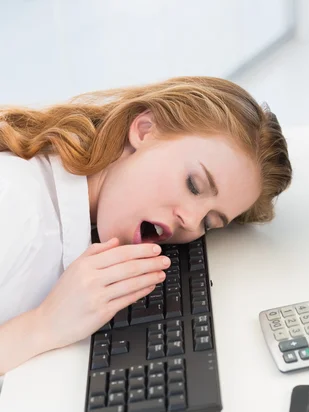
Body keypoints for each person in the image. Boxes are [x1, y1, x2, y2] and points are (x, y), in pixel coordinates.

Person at [0, 76, 292, 375]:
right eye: (193, 185)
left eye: (209, 221)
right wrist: (42, 326)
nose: (191, 222)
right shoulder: (13, 202)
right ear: (144, 129)